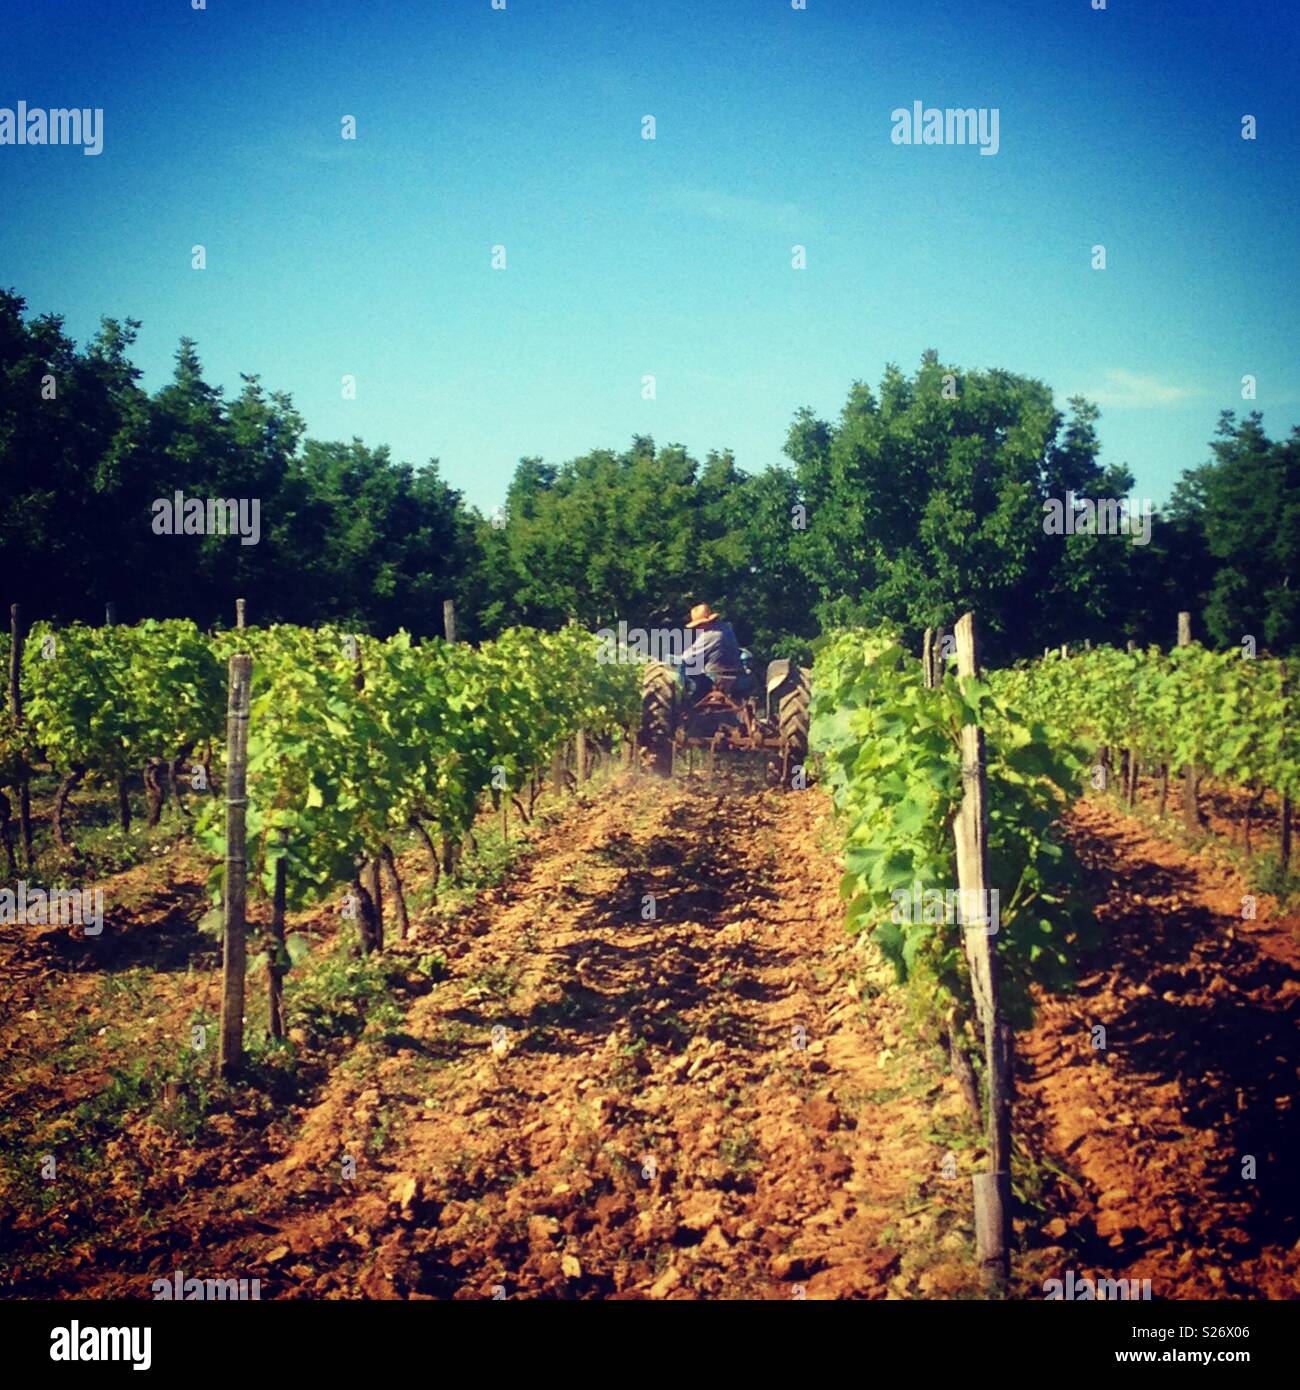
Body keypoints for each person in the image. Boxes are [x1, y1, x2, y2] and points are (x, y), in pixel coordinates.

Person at [676, 602, 741, 701]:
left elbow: (687, 657)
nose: (697, 628)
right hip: (734, 674)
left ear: (704, 623)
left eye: (698, 625)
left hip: (715, 677)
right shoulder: (726, 628)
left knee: (681, 665)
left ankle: (682, 701)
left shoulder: (710, 635)